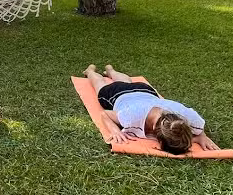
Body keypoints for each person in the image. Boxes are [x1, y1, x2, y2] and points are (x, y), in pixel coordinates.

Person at [83, 64, 219, 154]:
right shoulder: (131, 116)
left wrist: (201, 135)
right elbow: (105, 114)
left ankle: (111, 70)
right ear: (154, 132)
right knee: (100, 84)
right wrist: (115, 131)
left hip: (145, 91)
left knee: (128, 82)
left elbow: (197, 127)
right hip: (118, 94)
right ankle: (90, 71)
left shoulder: (184, 116)